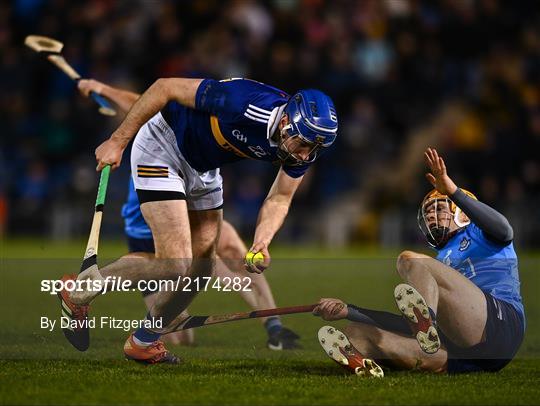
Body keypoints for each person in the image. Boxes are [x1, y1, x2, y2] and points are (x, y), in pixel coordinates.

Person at [60, 76, 338, 364]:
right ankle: (79, 291)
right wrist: (117, 141)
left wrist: (262, 242)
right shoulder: (242, 102)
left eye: (313, 149)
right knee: (176, 263)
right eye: (302, 144)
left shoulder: (304, 146)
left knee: (203, 268)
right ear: (285, 123)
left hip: (204, 169)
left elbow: (280, 198)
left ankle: (144, 341)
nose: (304, 154)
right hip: (163, 148)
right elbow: (163, 88)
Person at [314, 147, 525, 377]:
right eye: (429, 214)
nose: (433, 217)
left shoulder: (481, 232)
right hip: (458, 351)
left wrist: (453, 191)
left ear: (462, 214)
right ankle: (366, 365)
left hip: (500, 326)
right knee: (356, 333)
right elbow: (408, 324)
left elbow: (505, 230)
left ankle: (428, 325)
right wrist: (349, 310)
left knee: (408, 259)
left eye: (440, 209)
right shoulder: (437, 263)